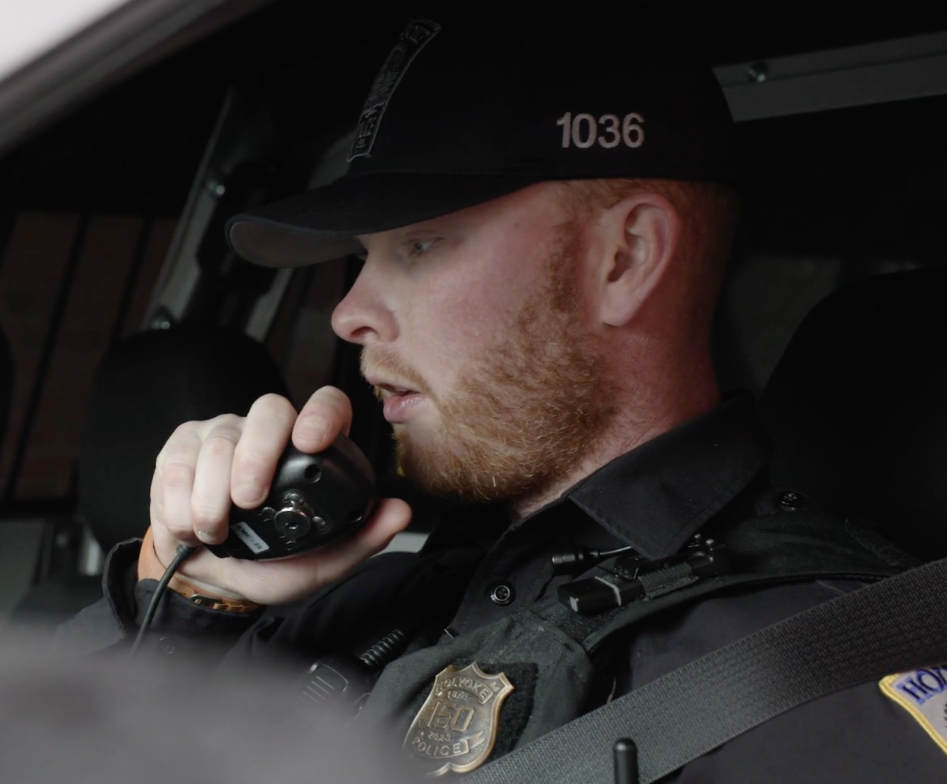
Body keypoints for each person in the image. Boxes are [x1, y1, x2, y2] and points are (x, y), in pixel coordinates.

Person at [64, 4, 946, 780]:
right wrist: (185, 596)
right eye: (362, 258)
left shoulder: (825, 687)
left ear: (625, 259)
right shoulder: (367, 589)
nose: (349, 313)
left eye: (419, 247)